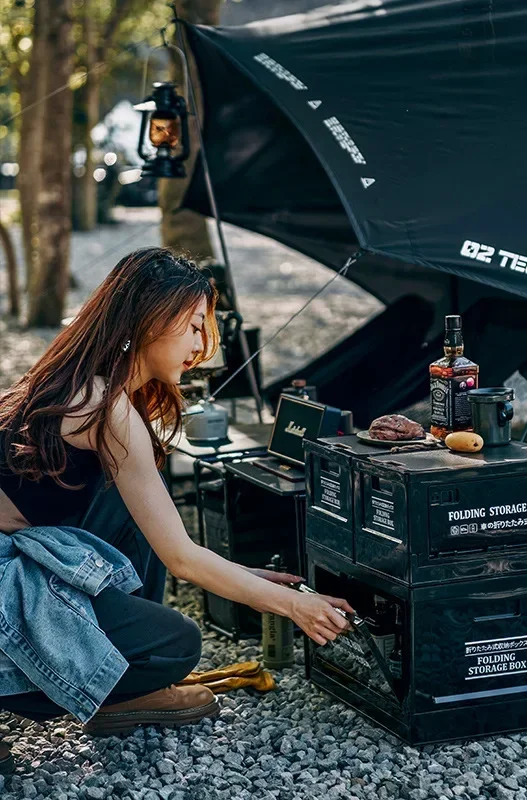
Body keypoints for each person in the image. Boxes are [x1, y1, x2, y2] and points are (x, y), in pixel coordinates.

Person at [0, 248, 353, 771]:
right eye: (191, 326)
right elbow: (183, 559)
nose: (200, 345)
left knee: (144, 491)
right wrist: (294, 608)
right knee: (176, 644)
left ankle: (121, 682)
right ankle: (105, 690)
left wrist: (241, 575)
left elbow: (164, 536)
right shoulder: (104, 404)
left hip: (24, 552)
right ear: (147, 321)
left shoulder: (85, 380)